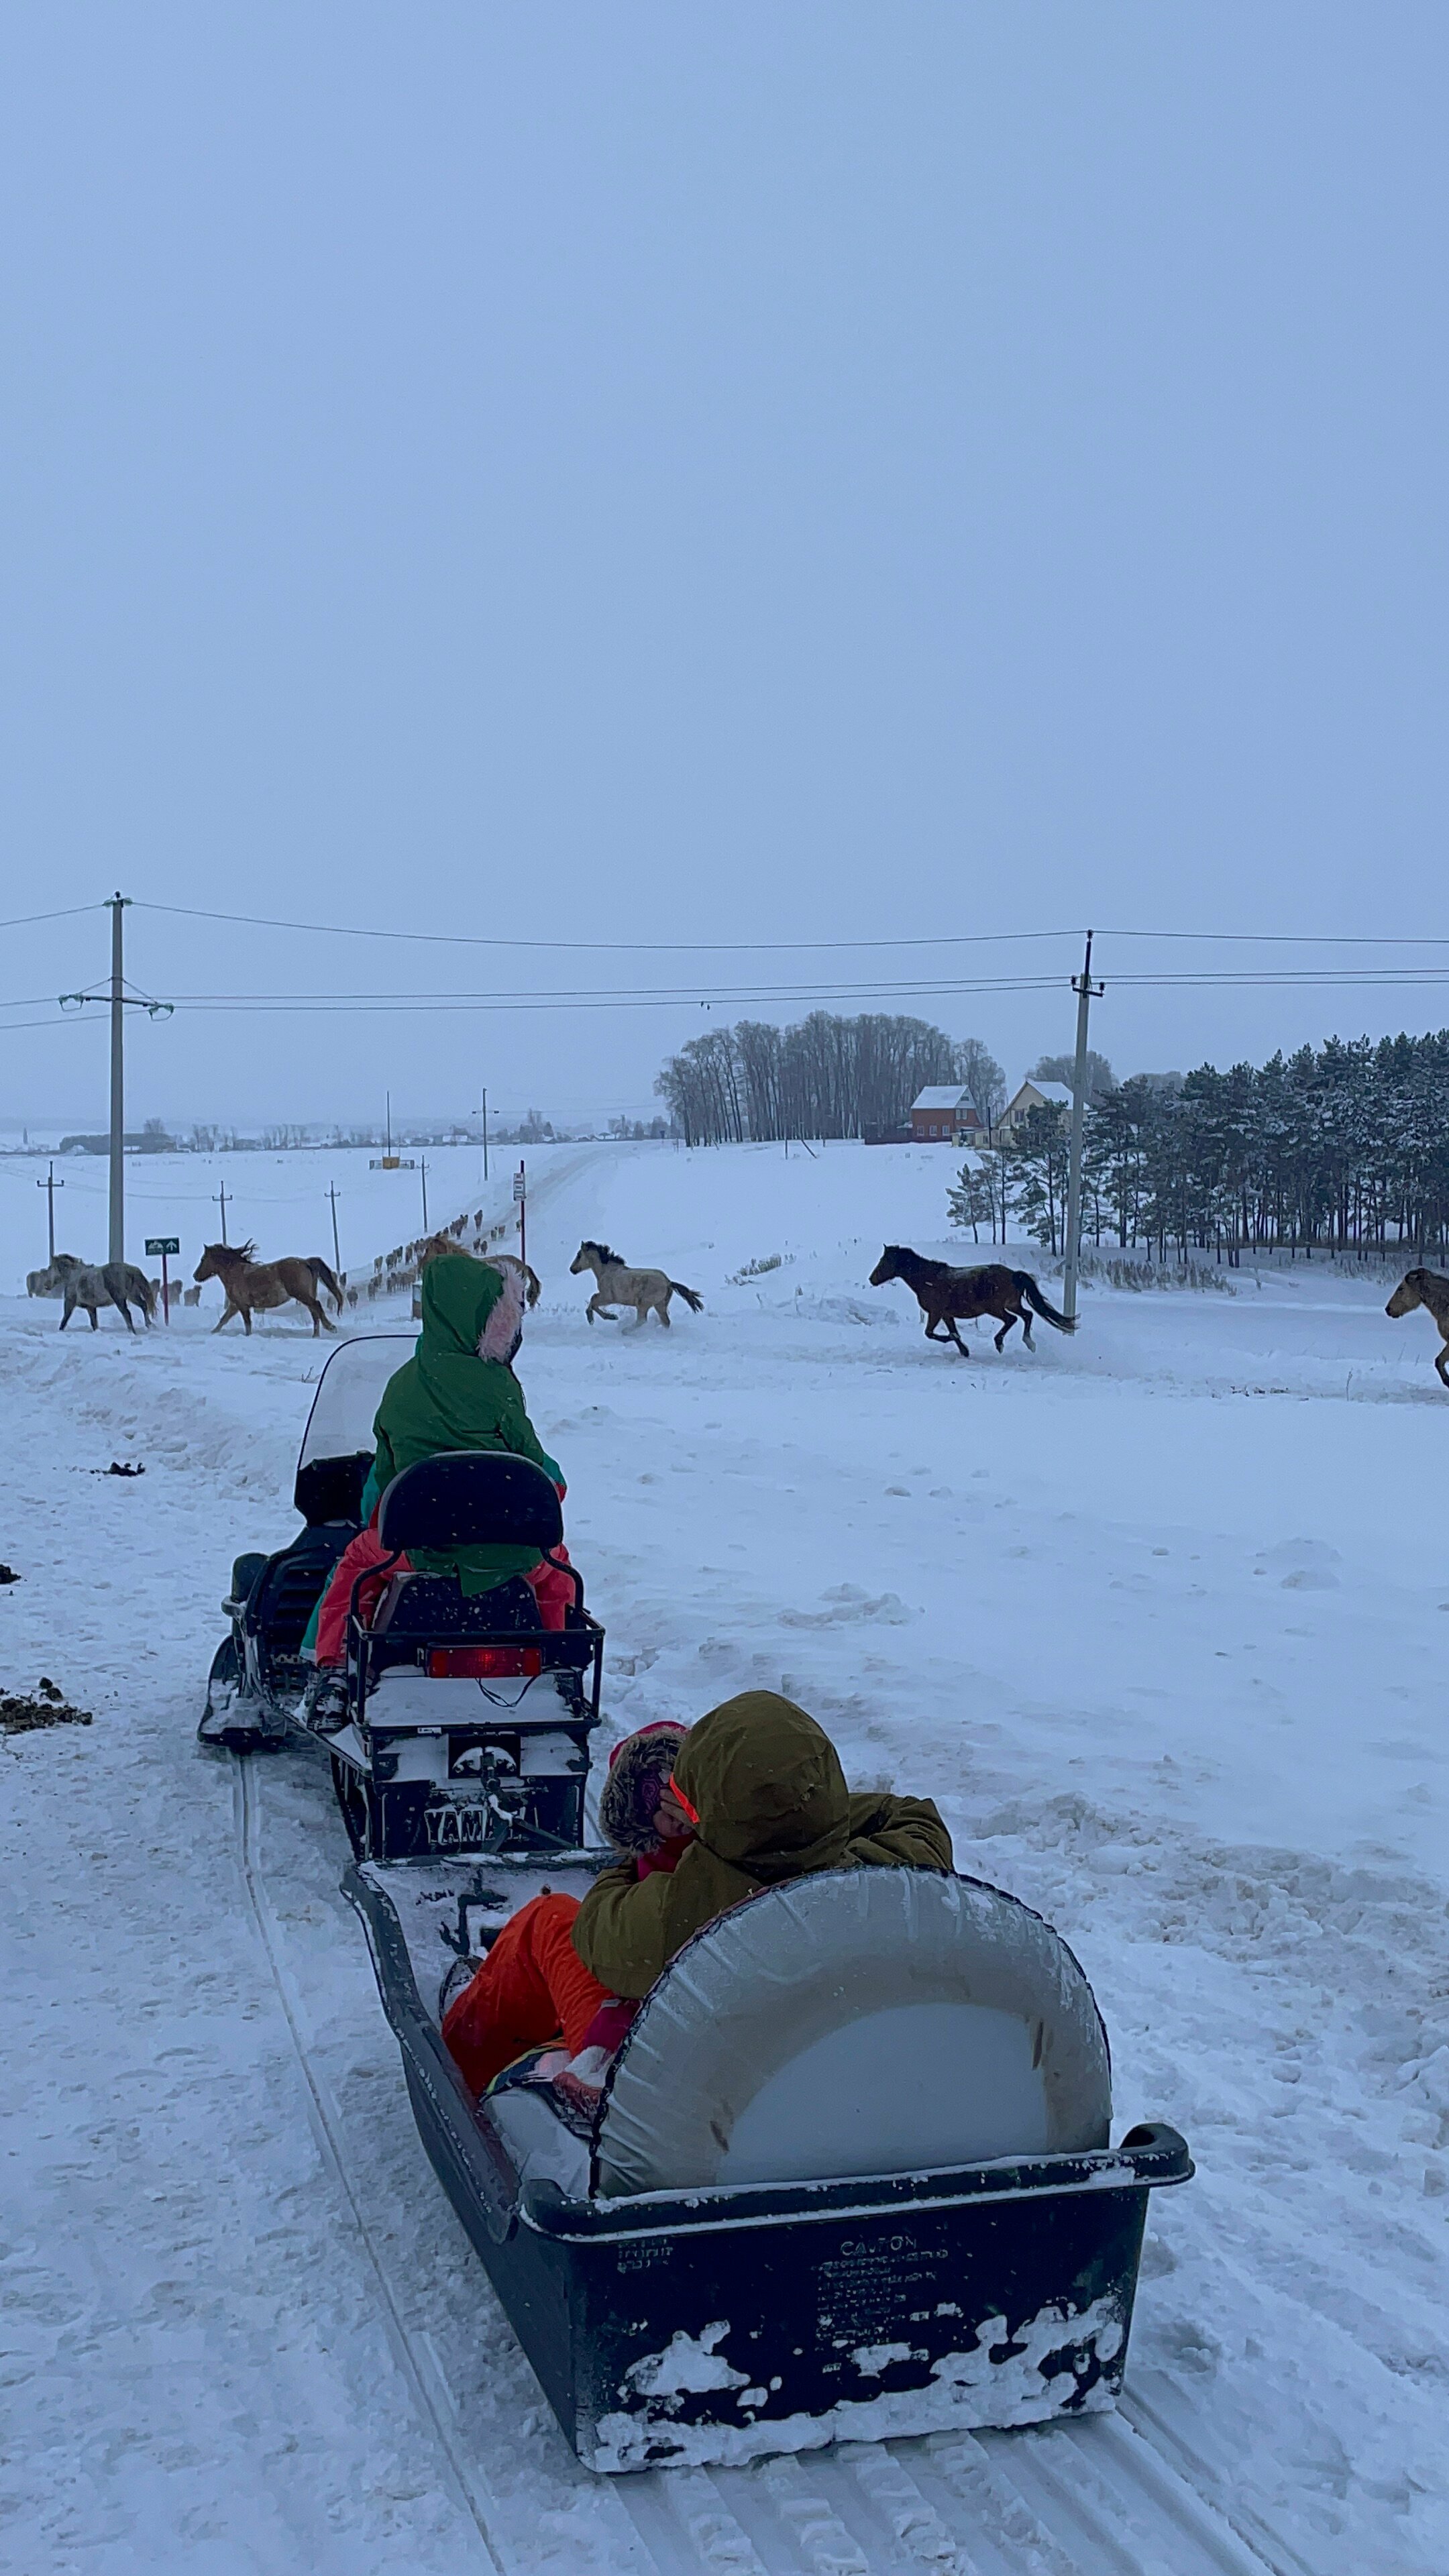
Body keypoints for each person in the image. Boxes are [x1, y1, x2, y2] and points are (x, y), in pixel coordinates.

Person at [441, 1692, 953, 2106]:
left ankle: (464, 2074)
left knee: (548, 1919)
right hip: (822, 2055)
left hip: (686, 2083)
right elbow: (904, 1813)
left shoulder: (682, 1915)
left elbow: (597, 1925)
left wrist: (664, 1840)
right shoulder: (895, 1871)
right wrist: (792, 1811)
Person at [306, 1254, 571, 1717]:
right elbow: (542, 1474)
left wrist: (383, 1519)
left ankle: (332, 1669)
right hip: (510, 1555)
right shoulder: (499, 1387)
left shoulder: (401, 1388)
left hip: (421, 1552)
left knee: (353, 1569)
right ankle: (558, 1662)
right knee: (557, 1569)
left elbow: (383, 1486)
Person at [441, 1721, 692, 2099]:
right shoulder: (794, 1860)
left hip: (651, 2054)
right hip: (743, 2038)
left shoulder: (704, 1871)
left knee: (548, 1918)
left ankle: (462, 2058)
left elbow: (653, 1957)